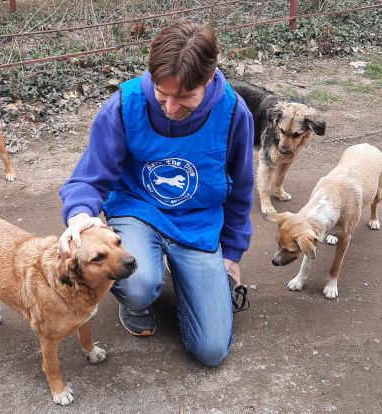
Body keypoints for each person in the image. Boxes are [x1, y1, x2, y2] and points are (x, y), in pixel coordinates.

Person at [57, 21, 254, 367]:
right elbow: (88, 179)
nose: (171, 108)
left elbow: (241, 190)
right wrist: (79, 216)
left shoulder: (235, 113)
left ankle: (192, 282)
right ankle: (138, 299)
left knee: (211, 351)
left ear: (209, 80)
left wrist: (233, 254)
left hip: (198, 222)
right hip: (137, 210)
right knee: (138, 283)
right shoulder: (123, 104)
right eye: (162, 94)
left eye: (184, 97)